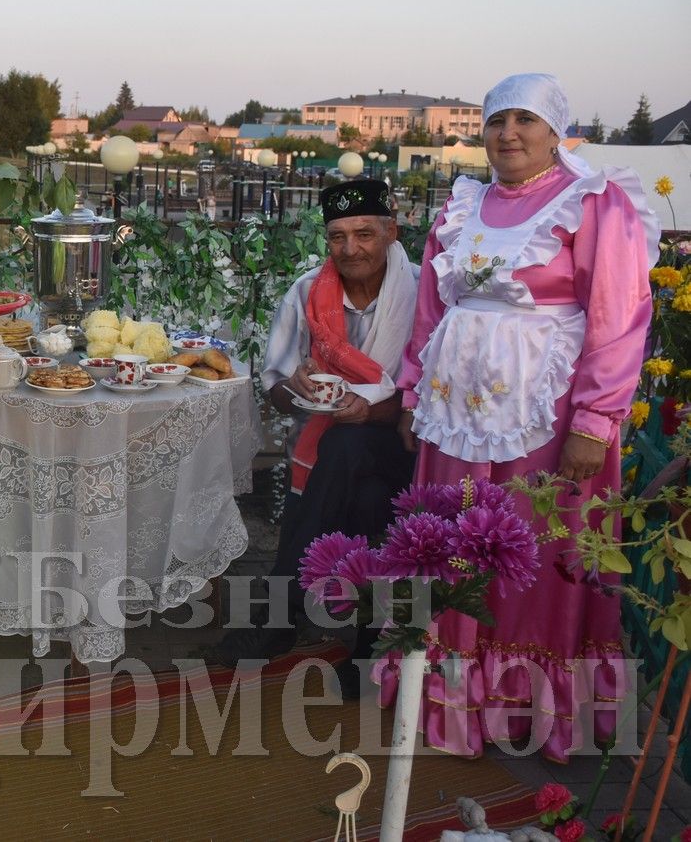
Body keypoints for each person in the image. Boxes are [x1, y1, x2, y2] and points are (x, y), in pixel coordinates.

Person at [381, 73, 659, 762]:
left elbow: (619, 316)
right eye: (495, 120)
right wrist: (412, 392)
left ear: (553, 130)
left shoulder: (592, 203)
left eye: (523, 121)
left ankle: (523, 706)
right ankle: (447, 696)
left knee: (530, 551)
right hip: (454, 415)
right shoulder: (462, 206)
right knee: (448, 539)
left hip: (544, 418)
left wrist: (595, 422)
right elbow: (429, 311)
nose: (506, 134)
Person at [215, 180, 419, 697]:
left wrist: (375, 409)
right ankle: (369, 646)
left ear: (391, 233)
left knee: (350, 448)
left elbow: (437, 386)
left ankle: (279, 614)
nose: (351, 249)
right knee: (364, 486)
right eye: (338, 237)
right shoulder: (308, 292)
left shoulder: (422, 291)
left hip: (406, 445)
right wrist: (296, 387)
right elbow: (275, 387)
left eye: (365, 234)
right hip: (337, 452)